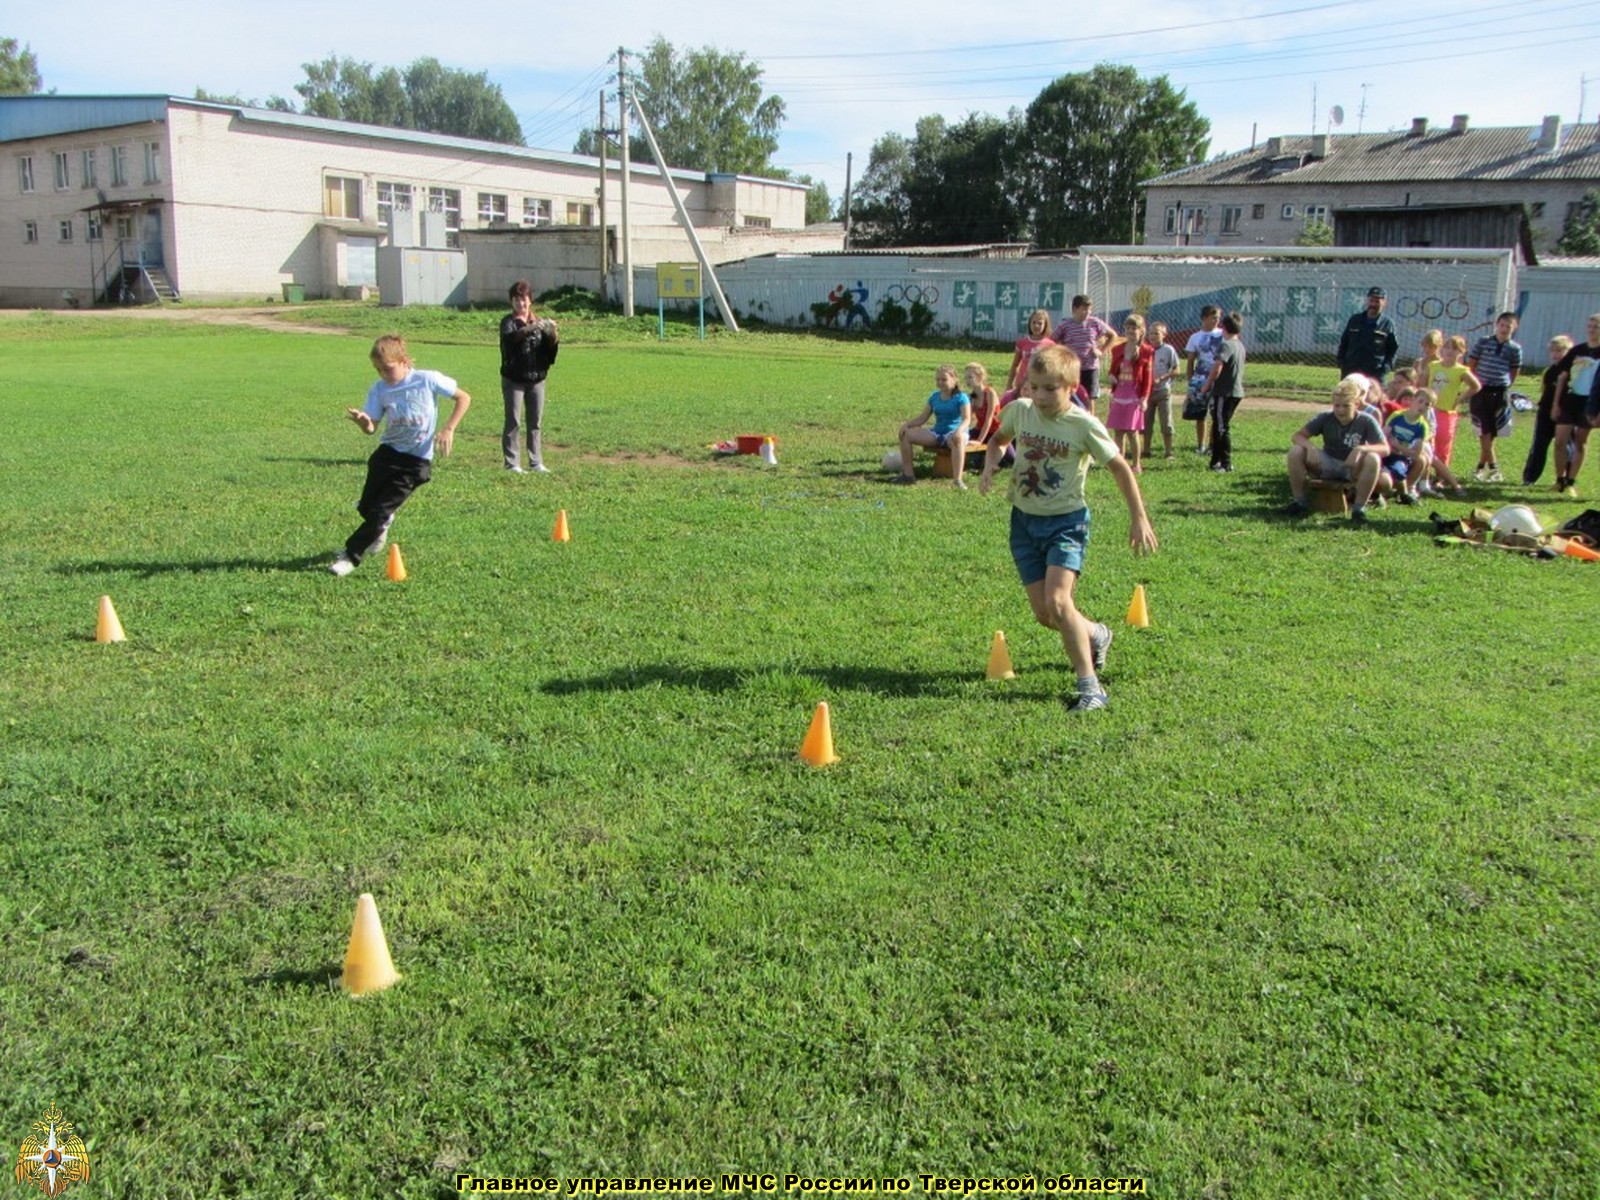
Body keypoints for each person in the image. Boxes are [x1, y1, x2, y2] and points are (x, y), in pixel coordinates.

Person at [978, 345, 1158, 714]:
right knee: (1046, 616)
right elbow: (998, 441)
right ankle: (1096, 633)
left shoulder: (1082, 425)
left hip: (1066, 524)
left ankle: (1090, 687)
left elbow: (1120, 467)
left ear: (1072, 386)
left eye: (1050, 389)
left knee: (1059, 603)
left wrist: (1138, 516)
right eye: (1034, 386)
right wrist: (989, 466)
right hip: (1023, 522)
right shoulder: (1020, 411)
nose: (1040, 396)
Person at [330, 334, 472, 576]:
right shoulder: (379, 389)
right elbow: (372, 428)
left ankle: (351, 556)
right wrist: (364, 422)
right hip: (386, 455)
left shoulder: (426, 379)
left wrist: (449, 428)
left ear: (404, 361)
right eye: (377, 370)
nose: (382, 374)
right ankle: (381, 524)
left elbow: (463, 397)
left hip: (416, 463)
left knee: (379, 513)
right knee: (366, 508)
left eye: (387, 368)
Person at [1283, 376, 1389, 524]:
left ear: (1357, 404)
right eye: (1337, 405)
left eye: (1346, 406)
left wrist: (1361, 449)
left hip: (1353, 467)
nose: (1340, 410)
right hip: (1328, 462)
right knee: (1296, 451)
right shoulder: (1325, 417)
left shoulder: (1366, 420)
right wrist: (1310, 446)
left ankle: (1359, 509)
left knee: (1373, 458)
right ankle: (1299, 502)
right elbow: (1297, 436)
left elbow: (1385, 448)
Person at [499, 280, 559, 474]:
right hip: (514, 379)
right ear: (511, 302)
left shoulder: (538, 322)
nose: (520, 304)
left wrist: (553, 333)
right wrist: (532, 328)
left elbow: (550, 352)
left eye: (523, 299)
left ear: (530, 300)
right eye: (516, 299)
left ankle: (536, 462)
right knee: (513, 421)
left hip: (536, 379)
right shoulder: (508, 322)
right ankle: (512, 463)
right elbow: (511, 340)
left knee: (535, 422)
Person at [1465, 311, 1523, 482]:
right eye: (1502, 325)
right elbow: (1472, 363)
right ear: (1496, 325)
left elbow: (1514, 370)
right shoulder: (1484, 342)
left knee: (1491, 434)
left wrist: (1505, 384)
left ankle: (1480, 469)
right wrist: (1476, 382)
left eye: (1509, 326)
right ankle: (1494, 469)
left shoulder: (1514, 348)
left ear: (1514, 328)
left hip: (1499, 392)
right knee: (1483, 432)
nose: (1504, 329)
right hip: (1482, 391)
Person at [895, 364, 972, 488]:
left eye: (944, 379)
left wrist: (959, 431)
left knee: (958, 439)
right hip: (937, 433)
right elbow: (922, 418)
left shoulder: (961, 397)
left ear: (954, 379)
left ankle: (958, 480)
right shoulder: (934, 397)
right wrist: (906, 425)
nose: (940, 383)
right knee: (906, 435)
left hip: (954, 433)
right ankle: (908, 475)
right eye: (938, 380)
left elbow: (967, 419)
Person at [1423, 334, 1478, 494]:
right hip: (1429, 410)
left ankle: (1441, 477)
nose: (1449, 351)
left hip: (1447, 412)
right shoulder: (1433, 365)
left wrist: (1459, 399)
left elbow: (1475, 386)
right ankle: (1423, 474)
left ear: (1461, 352)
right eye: (1447, 347)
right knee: (1426, 442)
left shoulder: (1461, 370)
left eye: (1454, 349)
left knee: (1443, 444)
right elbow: (1422, 383)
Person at [1550, 319, 1600, 495]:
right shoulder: (1577, 350)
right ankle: (1559, 479)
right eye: (1590, 326)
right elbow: (1563, 378)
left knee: (1580, 441)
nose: (1592, 330)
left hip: (1591, 402)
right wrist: (1556, 403)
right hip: (1571, 400)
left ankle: (1570, 482)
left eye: (1596, 327)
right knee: (1560, 441)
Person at [1051, 295, 1117, 412]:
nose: (1087, 312)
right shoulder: (1065, 325)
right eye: (1084, 309)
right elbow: (1052, 340)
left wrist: (1101, 351)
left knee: (1090, 396)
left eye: (1089, 309)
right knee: (1070, 394)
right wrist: (1061, 353)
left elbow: (1112, 335)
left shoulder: (1095, 323)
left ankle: (1090, 419)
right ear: (1074, 309)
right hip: (1072, 367)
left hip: (1090, 366)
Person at [1200, 311, 1246, 473]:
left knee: (1221, 428)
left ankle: (1226, 464)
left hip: (1224, 392)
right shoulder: (1239, 345)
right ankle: (1215, 461)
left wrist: (1207, 385)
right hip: (1235, 392)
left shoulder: (1226, 345)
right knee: (1218, 425)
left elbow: (1218, 366)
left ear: (1224, 328)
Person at [1106, 314, 1153, 473]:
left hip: (1134, 396)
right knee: (1118, 431)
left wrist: (1144, 398)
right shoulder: (1118, 349)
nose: (1131, 331)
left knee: (1133, 432)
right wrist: (1111, 376)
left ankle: (1136, 463)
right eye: (1128, 328)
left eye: (1134, 328)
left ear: (1141, 331)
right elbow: (1112, 370)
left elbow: (1148, 378)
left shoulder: (1147, 351)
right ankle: (1121, 463)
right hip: (1119, 394)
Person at [1527, 333, 1575, 489]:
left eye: (1560, 350)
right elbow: (1545, 390)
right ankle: (1530, 478)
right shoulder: (1550, 371)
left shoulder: (1573, 372)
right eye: (1553, 351)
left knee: (1567, 447)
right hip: (1545, 412)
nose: (1556, 354)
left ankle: (1565, 479)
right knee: (1539, 445)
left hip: (1566, 414)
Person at [1382, 387, 1435, 505]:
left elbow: (1415, 454)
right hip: (1386, 451)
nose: (1422, 406)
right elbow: (1383, 434)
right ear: (1413, 400)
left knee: (1398, 471)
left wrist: (1399, 447)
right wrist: (1390, 446)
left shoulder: (1422, 426)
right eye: (1420, 401)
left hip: (1401, 456)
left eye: (1427, 404)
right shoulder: (1397, 416)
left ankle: (1405, 492)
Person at [1336, 285, 1399, 383]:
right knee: (1348, 396)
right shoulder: (1355, 320)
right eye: (1371, 300)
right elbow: (1344, 342)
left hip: (1374, 373)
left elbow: (1393, 350)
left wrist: (1385, 368)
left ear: (1384, 303)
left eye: (1377, 301)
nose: (1373, 304)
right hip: (1351, 370)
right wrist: (1341, 361)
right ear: (1367, 301)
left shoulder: (1387, 324)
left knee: (1375, 398)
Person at [1183, 306, 1223, 454]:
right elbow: (1190, 361)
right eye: (1213, 317)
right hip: (1200, 378)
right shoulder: (1195, 337)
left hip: (1218, 378)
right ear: (1204, 318)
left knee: (1216, 413)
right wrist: (1190, 380)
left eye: (1218, 318)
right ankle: (1201, 444)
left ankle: (1212, 445)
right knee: (1200, 413)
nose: (1216, 321)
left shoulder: (1221, 335)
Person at [1142, 320, 1180, 461]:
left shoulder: (1168, 350)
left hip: (1163, 391)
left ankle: (1168, 451)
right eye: (1151, 333)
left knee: (1166, 422)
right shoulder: (1145, 349)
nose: (1153, 336)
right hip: (1147, 392)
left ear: (1164, 335)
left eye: (1156, 333)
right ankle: (1146, 450)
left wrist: (1163, 377)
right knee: (1146, 422)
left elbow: (1176, 369)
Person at [1006, 309, 1057, 393]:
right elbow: (1015, 365)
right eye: (1034, 322)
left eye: (1040, 323)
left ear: (1045, 325)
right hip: (1022, 385)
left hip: (1039, 386)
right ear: (1029, 324)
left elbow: (1053, 368)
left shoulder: (1051, 345)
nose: (1036, 326)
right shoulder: (1022, 343)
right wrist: (1009, 384)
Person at [964, 362, 1001, 445]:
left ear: (980, 377)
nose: (967, 381)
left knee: (1009, 457)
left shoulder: (989, 393)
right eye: (966, 378)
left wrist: (979, 441)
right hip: (980, 430)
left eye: (970, 377)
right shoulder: (972, 396)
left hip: (996, 431)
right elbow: (968, 419)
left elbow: (989, 419)